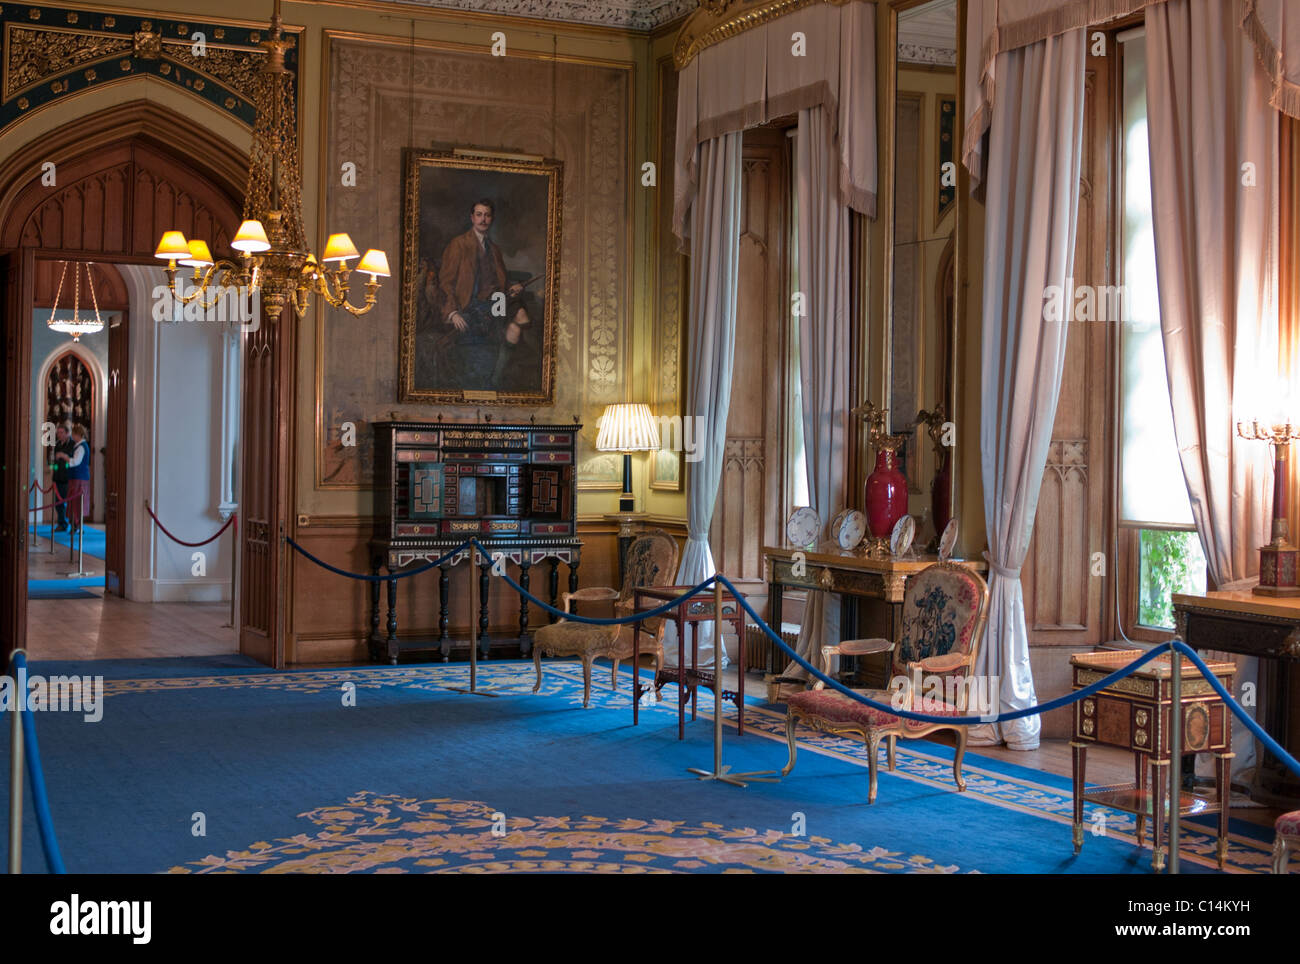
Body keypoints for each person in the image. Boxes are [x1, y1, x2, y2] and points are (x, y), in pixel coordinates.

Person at [437, 198, 534, 388]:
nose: (483, 219)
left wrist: (511, 290)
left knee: (521, 319)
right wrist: (452, 312)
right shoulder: (458, 244)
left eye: (487, 215)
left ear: (492, 219)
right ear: (472, 217)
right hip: (471, 303)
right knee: (512, 329)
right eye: (479, 215)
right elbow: (445, 282)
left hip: (496, 301)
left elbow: (499, 284)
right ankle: (495, 379)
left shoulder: (494, 249)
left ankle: (497, 378)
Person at [55, 423, 91, 534]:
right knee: (73, 503)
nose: (72, 437)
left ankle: (77, 526)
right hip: (75, 478)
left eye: (73, 434)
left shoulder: (81, 447)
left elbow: (75, 462)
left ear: (78, 435)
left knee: (77, 503)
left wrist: (64, 456)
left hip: (79, 478)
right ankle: (75, 525)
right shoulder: (78, 446)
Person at [50, 423, 74, 531]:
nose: (59, 435)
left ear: (67, 433)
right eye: (58, 433)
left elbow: (72, 458)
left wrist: (63, 456)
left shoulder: (72, 444)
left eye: (61, 432)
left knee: (70, 503)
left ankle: (74, 524)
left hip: (68, 477)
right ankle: (62, 523)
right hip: (58, 477)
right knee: (58, 503)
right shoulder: (58, 444)